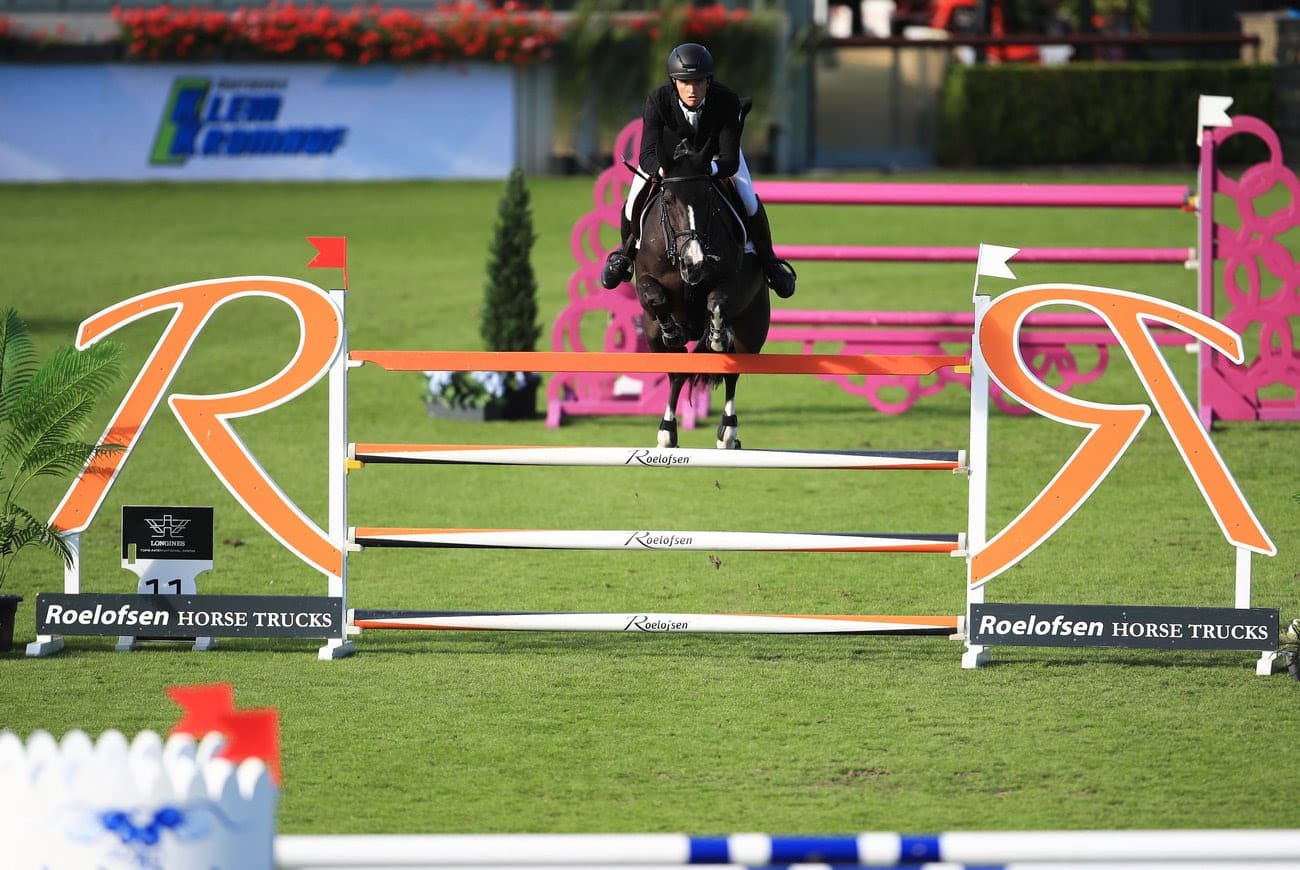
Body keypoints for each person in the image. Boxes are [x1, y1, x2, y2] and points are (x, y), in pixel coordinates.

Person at [600, 42, 797, 299]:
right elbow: (647, 154)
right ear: (674, 82)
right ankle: (625, 255)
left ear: (708, 81)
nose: (692, 89)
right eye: (685, 82)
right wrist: (662, 171)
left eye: (699, 82)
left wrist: (709, 168)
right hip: (669, 162)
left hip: (715, 157)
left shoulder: (725, 100)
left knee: (748, 200)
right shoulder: (657, 101)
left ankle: (770, 263)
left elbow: (729, 160)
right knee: (632, 203)